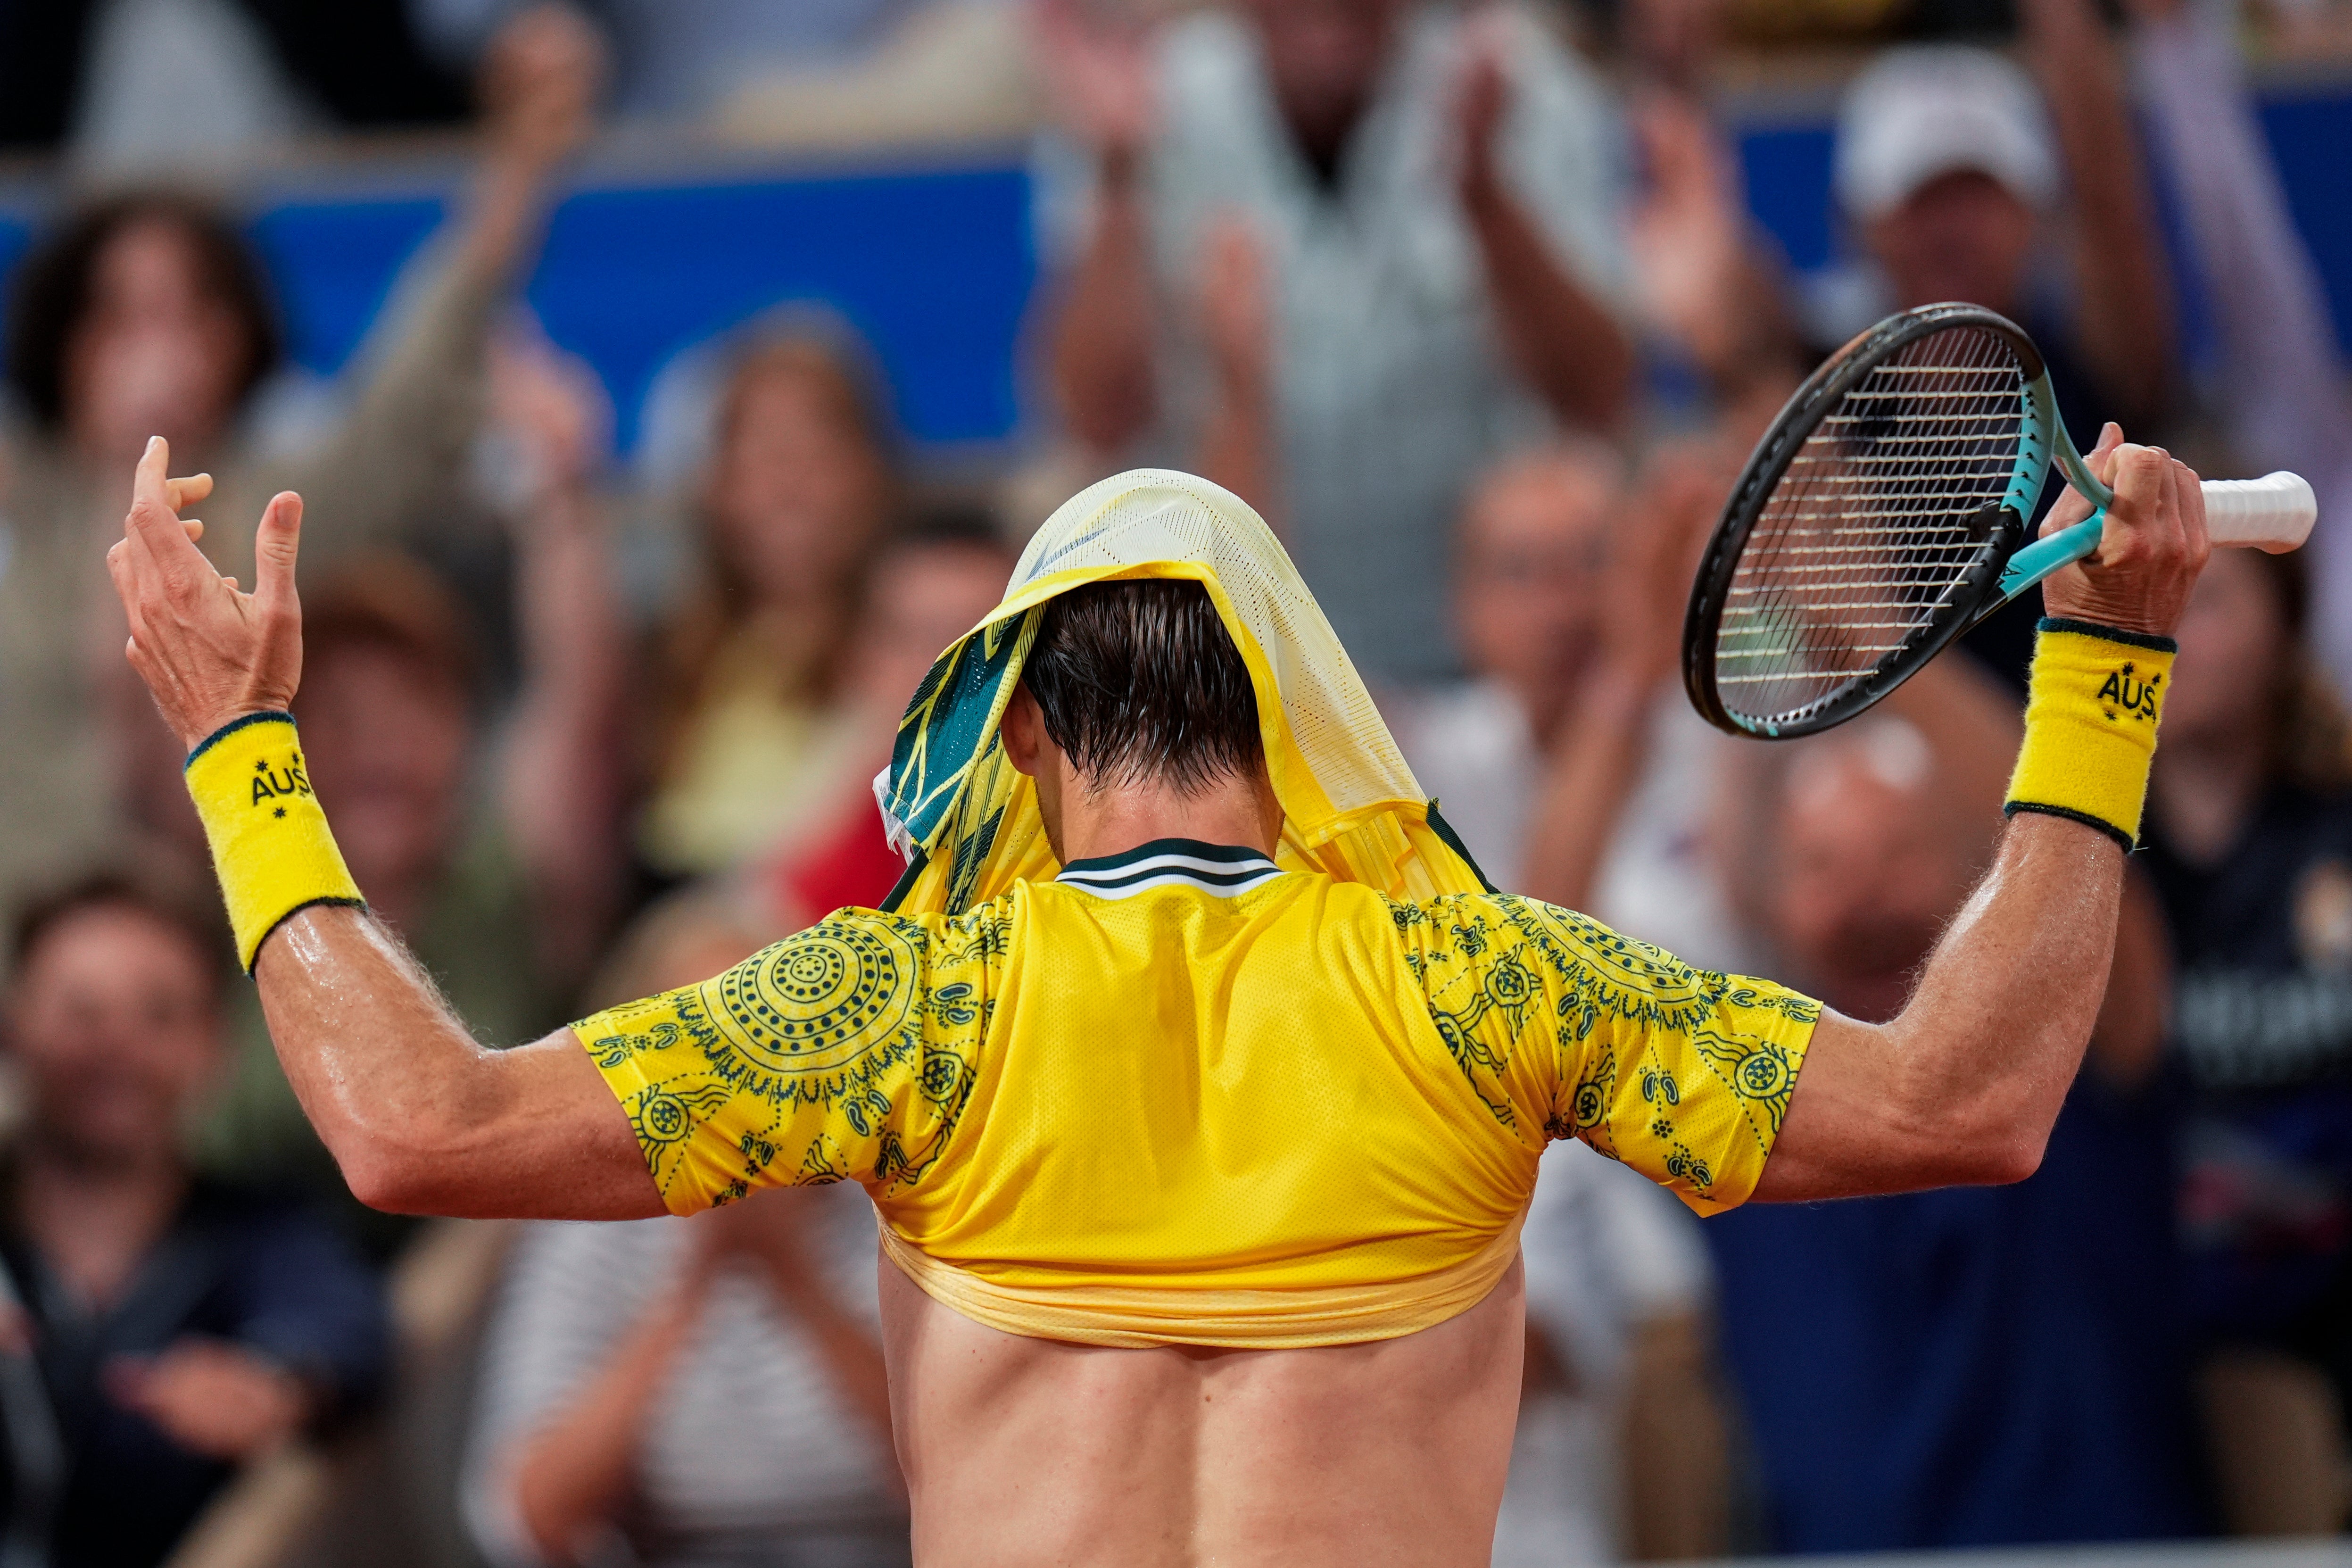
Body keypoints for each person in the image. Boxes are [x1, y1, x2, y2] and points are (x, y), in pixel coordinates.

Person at [110, 422, 2207, 1564]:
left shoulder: (902, 1002)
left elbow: (413, 1124)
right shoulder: (1488, 979)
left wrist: (242, 747)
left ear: (1011, 736)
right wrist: (2102, 669)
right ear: (1309, 709)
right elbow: (1967, 1096)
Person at [0, 3, 601, 922]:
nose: (155, 355)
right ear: (63, 344)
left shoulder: (282, 508)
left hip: (217, 968)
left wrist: (523, 156)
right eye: (121, 318)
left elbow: (422, 363)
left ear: (239, 342)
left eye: (191, 315)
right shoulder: (23, 492)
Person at [1698, 673, 2206, 1549]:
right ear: (1768, 907)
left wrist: (1897, 657)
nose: (1864, 899)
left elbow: (2083, 871)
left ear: (1982, 891)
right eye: (1821, 864)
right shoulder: (1727, 1106)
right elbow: (1516, 1022)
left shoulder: (2071, 1061)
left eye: (1900, 854)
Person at [1037, 0, 1636, 681]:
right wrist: (1120, 172)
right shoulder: (1142, 92)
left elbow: (1601, 395)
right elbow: (1094, 413)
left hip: (1490, 665)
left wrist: (1489, 206)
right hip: (1228, 663)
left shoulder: (1514, 80)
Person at [466, 921, 907, 1568]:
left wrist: (795, 1279)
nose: (736, 1086)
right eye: (700, 1049)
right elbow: (533, 1519)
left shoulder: (902, 1203)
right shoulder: (586, 1236)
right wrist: (691, 1290)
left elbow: (980, 1482)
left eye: (765, 1037)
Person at [0, 871, 386, 1567]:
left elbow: (345, 1324)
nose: (117, 1045)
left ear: (215, 1045)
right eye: (81, 1012)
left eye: (161, 1014)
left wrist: (274, 1381)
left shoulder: (265, 1231)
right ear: (13, 1028)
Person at [1831, 0, 2176, 687]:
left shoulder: (2097, 373)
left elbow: (2112, 211)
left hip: (2087, 755)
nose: (1952, 228)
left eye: (1980, 193)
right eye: (1921, 196)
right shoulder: (1827, 401)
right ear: (1861, 225)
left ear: (2038, 218)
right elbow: (1734, 334)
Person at [2141, 543, 2352, 1530]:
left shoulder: (2333, 833)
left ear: (2285, 629)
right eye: (2158, 599)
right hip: (2158, 1347)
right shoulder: (2086, 865)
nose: (2174, 631)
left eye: (2211, 600)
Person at [637, 332, 901, 879]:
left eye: (816, 448)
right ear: (715, 485)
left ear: (870, 473)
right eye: (759, 449)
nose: (788, 482)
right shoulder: (665, 658)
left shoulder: (909, 650)